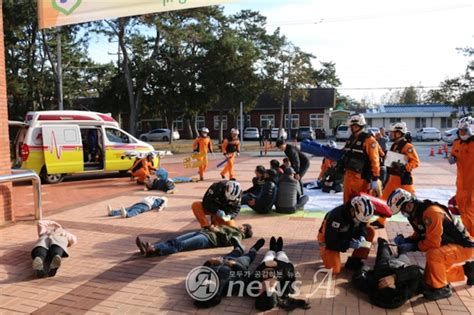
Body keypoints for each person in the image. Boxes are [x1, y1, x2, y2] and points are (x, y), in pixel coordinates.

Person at [387, 188, 474, 300]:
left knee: (434, 255)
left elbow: (432, 243)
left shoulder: (432, 212)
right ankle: (469, 270)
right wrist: (407, 240)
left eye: (402, 211)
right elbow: (421, 233)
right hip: (449, 245)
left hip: (463, 247)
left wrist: (413, 246)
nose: (403, 214)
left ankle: (443, 289)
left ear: (408, 205)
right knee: (429, 278)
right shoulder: (417, 213)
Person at [372, 121, 420, 229]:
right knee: (384, 199)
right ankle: (381, 220)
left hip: (404, 180)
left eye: (392, 132)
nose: (390, 134)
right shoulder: (394, 145)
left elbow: (416, 162)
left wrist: (404, 167)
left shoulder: (408, 146)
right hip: (393, 178)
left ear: (398, 133)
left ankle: (419, 223)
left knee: (412, 203)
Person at [352, 238, 424, 309]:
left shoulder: (371, 285)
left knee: (383, 247)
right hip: (402, 264)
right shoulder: (408, 291)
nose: (386, 281)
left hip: (384, 265)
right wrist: (394, 277)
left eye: (384, 283)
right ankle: (401, 248)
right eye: (389, 284)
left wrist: (368, 269)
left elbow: (358, 276)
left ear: (379, 286)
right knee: (403, 251)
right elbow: (416, 270)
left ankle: (383, 242)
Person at [194, 237, 266, 308]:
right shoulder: (229, 288)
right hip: (239, 263)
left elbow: (204, 269)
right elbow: (245, 275)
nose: (205, 282)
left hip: (224, 260)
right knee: (249, 256)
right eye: (207, 286)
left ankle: (238, 248)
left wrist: (209, 262)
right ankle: (254, 249)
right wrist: (235, 265)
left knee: (234, 253)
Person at [317, 195, 376, 274]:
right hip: (328, 240)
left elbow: (363, 227)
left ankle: (355, 260)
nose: (359, 222)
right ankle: (327, 257)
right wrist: (349, 244)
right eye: (358, 219)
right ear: (352, 210)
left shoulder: (361, 214)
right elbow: (331, 241)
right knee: (334, 270)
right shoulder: (336, 217)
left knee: (370, 232)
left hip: (347, 233)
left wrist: (362, 236)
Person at [252, 237, 311, 312]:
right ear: (275, 292)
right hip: (282, 264)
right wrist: (277, 277)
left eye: (262, 288)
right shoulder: (287, 288)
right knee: (282, 255)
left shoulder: (253, 289)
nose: (266, 284)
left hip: (267, 265)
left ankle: (272, 249)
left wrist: (264, 265)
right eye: (269, 286)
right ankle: (279, 250)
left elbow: (257, 271)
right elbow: (290, 268)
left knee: (269, 255)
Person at [135, 223, 253, 257]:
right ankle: (152, 248)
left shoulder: (238, 235)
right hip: (203, 232)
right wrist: (213, 227)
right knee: (174, 240)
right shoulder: (232, 228)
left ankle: (155, 251)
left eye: (244, 228)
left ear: (245, 232)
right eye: (242, 225)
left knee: (180, 245)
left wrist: (217, 231)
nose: (240, 226)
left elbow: (227, 240)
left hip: (207, 239)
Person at [340, 114, 381, 202]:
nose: (353, 128)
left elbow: (375, 160)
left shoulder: (369, 140)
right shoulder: (351, 139)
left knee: (361, 204)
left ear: (361, 126)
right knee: (347, 203)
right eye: (352, 126)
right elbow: (344, 152)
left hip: (361, 178)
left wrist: (375, 178)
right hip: (348, 176)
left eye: (355, 126)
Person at [449, 116, 474, 235]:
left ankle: (471, 236)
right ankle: (468, 234)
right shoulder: (457, 143)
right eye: (459, 131)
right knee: (462, 210)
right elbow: (453, 154)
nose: (461, 133)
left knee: (470, 210)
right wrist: (451, 158)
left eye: (464, 131)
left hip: (472, 185)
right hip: (460, 185)